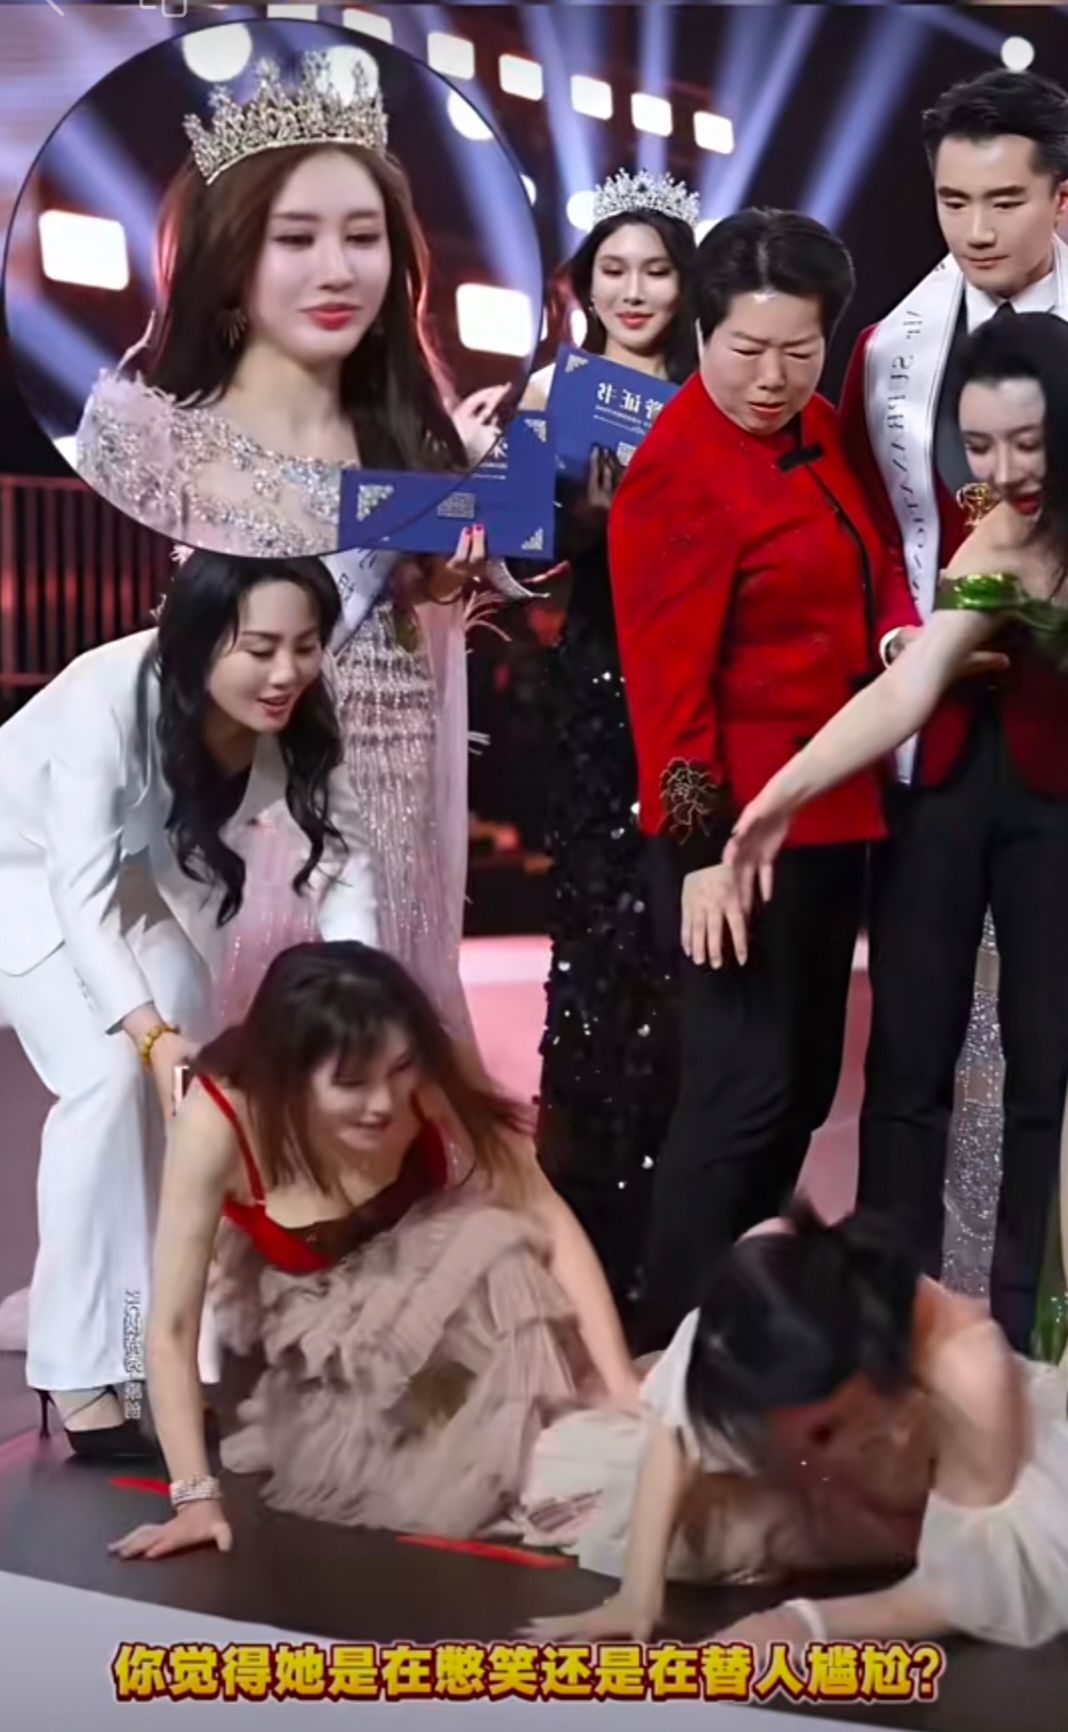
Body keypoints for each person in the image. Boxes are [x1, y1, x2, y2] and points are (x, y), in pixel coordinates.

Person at [727, 313, 1068, 1357]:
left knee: (1052, 1079)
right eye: (980, 446)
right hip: (1018, 808)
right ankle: (982, 1350)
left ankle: (1041, 1337)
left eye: (1028, 443)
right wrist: (777, 798)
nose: (1001, 474)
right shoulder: (998, 540)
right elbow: (906, 690)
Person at [607, 209, 918, 1351]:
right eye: (747, 350)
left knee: (802, 1082)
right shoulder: (677, 473)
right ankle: (670, 1346)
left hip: (835, 812)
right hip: (734, 832)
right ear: (701, 332)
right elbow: (667, 694)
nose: (773, 378)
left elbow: (879, 555)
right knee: (740, 1092)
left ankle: (740, 1327)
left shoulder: (820, 426)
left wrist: (897, 635)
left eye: (800, 349)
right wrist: (699, 854)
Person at [0, 551, 378, 1455]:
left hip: (115, 879)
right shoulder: (105, 698)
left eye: (305, 646)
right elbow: (76, 898)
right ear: (200, 639)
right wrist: (146, 1035)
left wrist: (364, 1013)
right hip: (19, 872)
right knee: (107, 1080)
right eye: (259, 649)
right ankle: (77, 1370)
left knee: (199, 1080)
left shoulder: (299, 716)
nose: (286, 673)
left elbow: (348, 862)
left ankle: (159, 1357)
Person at [108, 942, 640, 1558]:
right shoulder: (217, 1119)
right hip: (339, 1352)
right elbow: (171, 1328)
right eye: (352, 1083)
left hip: (454, 1305)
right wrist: (194, 1499)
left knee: (506, 1259)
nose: (385, 1102)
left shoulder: (428, 1068)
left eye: (401, 1068)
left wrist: (621, 1380)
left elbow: (542, 1211)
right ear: (288, 1079)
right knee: (468, 1476)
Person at [839, 69, 1068, 1346]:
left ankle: (1034, 1337)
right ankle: (891, 1329)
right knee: (906, 1055)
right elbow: (876, 530)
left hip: (1061, 749)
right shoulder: (893, 346)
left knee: (1050, 1060)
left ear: (1060, 199)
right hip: (931, 743)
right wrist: (901, 632)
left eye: (1005, 201)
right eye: (952, 201)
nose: (976, 230)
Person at [520, 1201, 1068, 1654]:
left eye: (823, 1433)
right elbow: (677, 1426)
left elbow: (962, 1592)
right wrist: (638, 1597)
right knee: (638, 1508)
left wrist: (804, 1624)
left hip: (923, 1502)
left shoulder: (971, 1374)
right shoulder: (775, 1273)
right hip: (843, 1477)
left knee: (740, 1537)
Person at [528, 168, 698, 1318]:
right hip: (599, 683)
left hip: (697, 682)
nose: (634, 290)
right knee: (597, 946)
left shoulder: (716, 386)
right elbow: (516, 551)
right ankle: (590, 1255)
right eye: (614, 271)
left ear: (688, 284)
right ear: (584, 284)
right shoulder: (556, 389)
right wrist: (569, 518)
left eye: (657, 270)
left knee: (683, 944)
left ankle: (680, 1242)